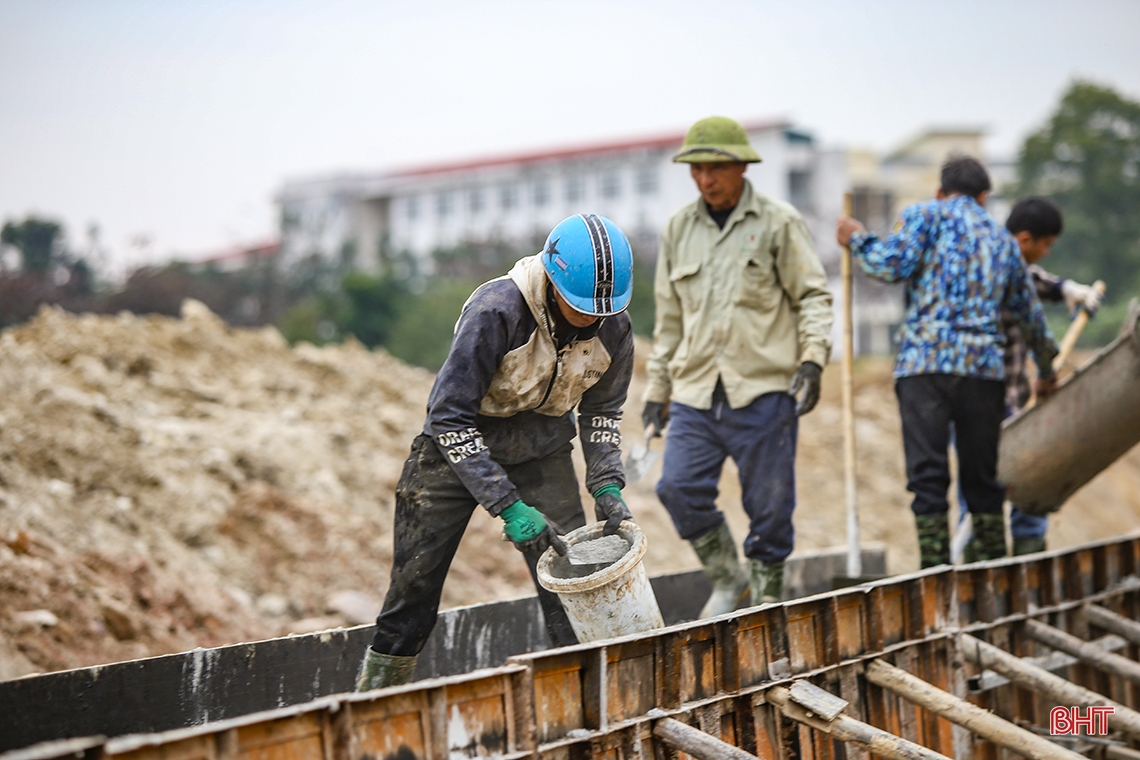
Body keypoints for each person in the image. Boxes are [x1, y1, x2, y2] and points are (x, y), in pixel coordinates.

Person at [357, 214, 636, 690]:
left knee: (570, 584)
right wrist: (507, 505)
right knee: (414, 591)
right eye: (581, 307)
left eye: (601, 311)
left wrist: (607, 483)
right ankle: (374, 701)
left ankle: (583, 706)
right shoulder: (496, 311)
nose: (592, 318)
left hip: (543, 444)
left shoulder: (613, 326)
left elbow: (603, 411)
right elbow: (448, 416)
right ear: (552, 279)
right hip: (457, 444)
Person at [643, 116, 834, 616]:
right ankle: (731, 579)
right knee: (677, 487)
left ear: (743, 166)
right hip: (696, 392)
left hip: (764, 392)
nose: (706, 179)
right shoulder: (679, 230)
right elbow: (668, 319)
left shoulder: (779, 223)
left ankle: (769, 602)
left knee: (770, 511)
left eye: (716, 168)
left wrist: (813, 359)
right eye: (697, 169)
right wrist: (656, 390)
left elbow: (813, 296)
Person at [836, 157, 1060, 569]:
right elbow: (1031, 319)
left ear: (941, 192)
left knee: (928, 477)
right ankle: (996, 575)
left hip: (923, 368)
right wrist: (1046, 372)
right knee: (983, 481)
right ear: (983, 196)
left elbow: (889, 265)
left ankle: (935, 574)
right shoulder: (1002, 239)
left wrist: (857, 238)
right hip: (982, 372)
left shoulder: (922, 215)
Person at [959, 196, 1101, 556]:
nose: (1047, 253)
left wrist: (1066, 289)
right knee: (982, 487)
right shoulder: (989, 268)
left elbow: (1036, 280)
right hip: (982, 401)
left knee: (1030, 484)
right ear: (1025, 240)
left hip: (1012, 400)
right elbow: (1029, 290)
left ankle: (1025, 559)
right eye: (1046, 245)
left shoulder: (1006, 265)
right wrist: (1047, 368)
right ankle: (977, 562)